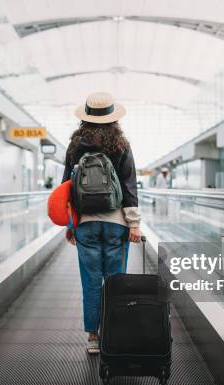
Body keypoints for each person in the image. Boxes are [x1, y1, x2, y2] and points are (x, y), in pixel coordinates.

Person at [63, 92, 141, 354]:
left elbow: (66, 188)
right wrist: (133, 224)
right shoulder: (121, 144)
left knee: (91, 280)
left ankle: (93, 338)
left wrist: (70, 224)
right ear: (113, 118)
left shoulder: (75, 146)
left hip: (85, 224)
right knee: (115, 280)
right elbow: (130, 186)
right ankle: (115, 332)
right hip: (116, 223)